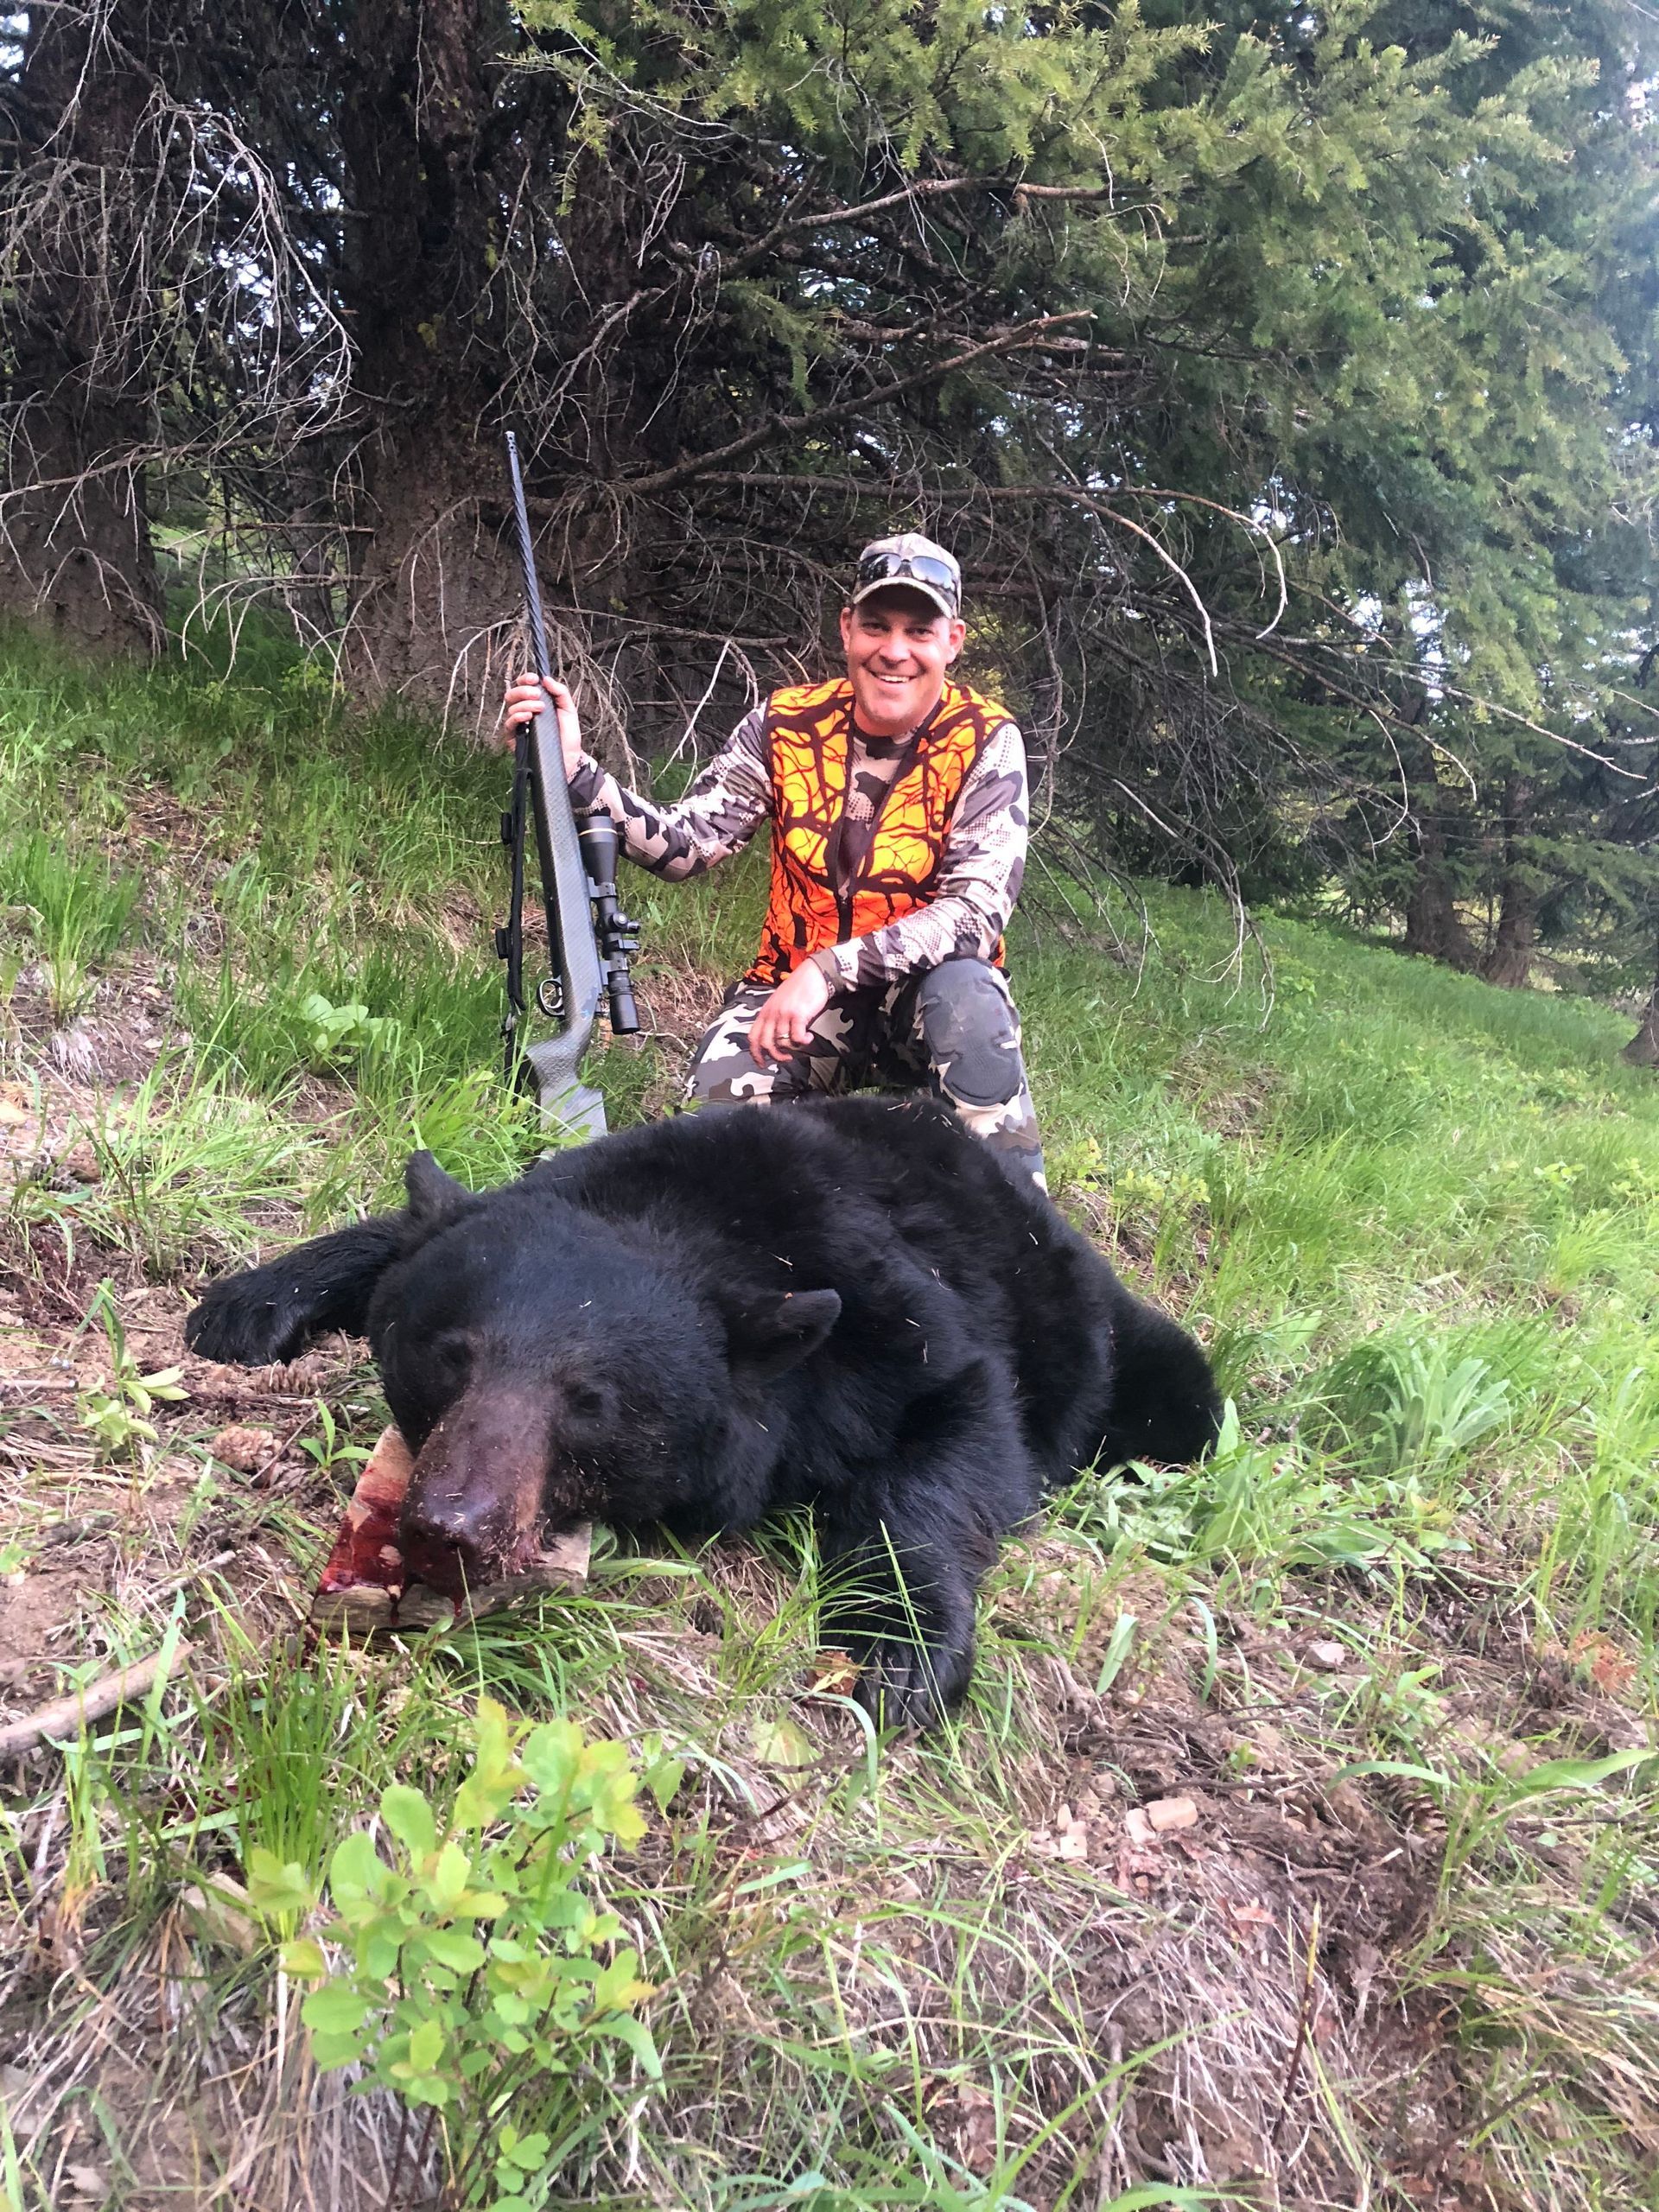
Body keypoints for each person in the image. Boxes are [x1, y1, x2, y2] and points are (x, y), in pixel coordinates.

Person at [501, 534, 1045, 1186]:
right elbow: (686, 845)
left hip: (922, 995)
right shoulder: (783, 723)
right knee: (715, 1143)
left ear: (952, 641)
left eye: (918, 631)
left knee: (973, 1006)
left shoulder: (987, 740)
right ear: (847, 629)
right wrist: (574, 771)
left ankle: (1023, 1232)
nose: (894, 651)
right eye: (876, 626)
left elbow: (977, 913)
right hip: (786, 995)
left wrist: (829, 968)